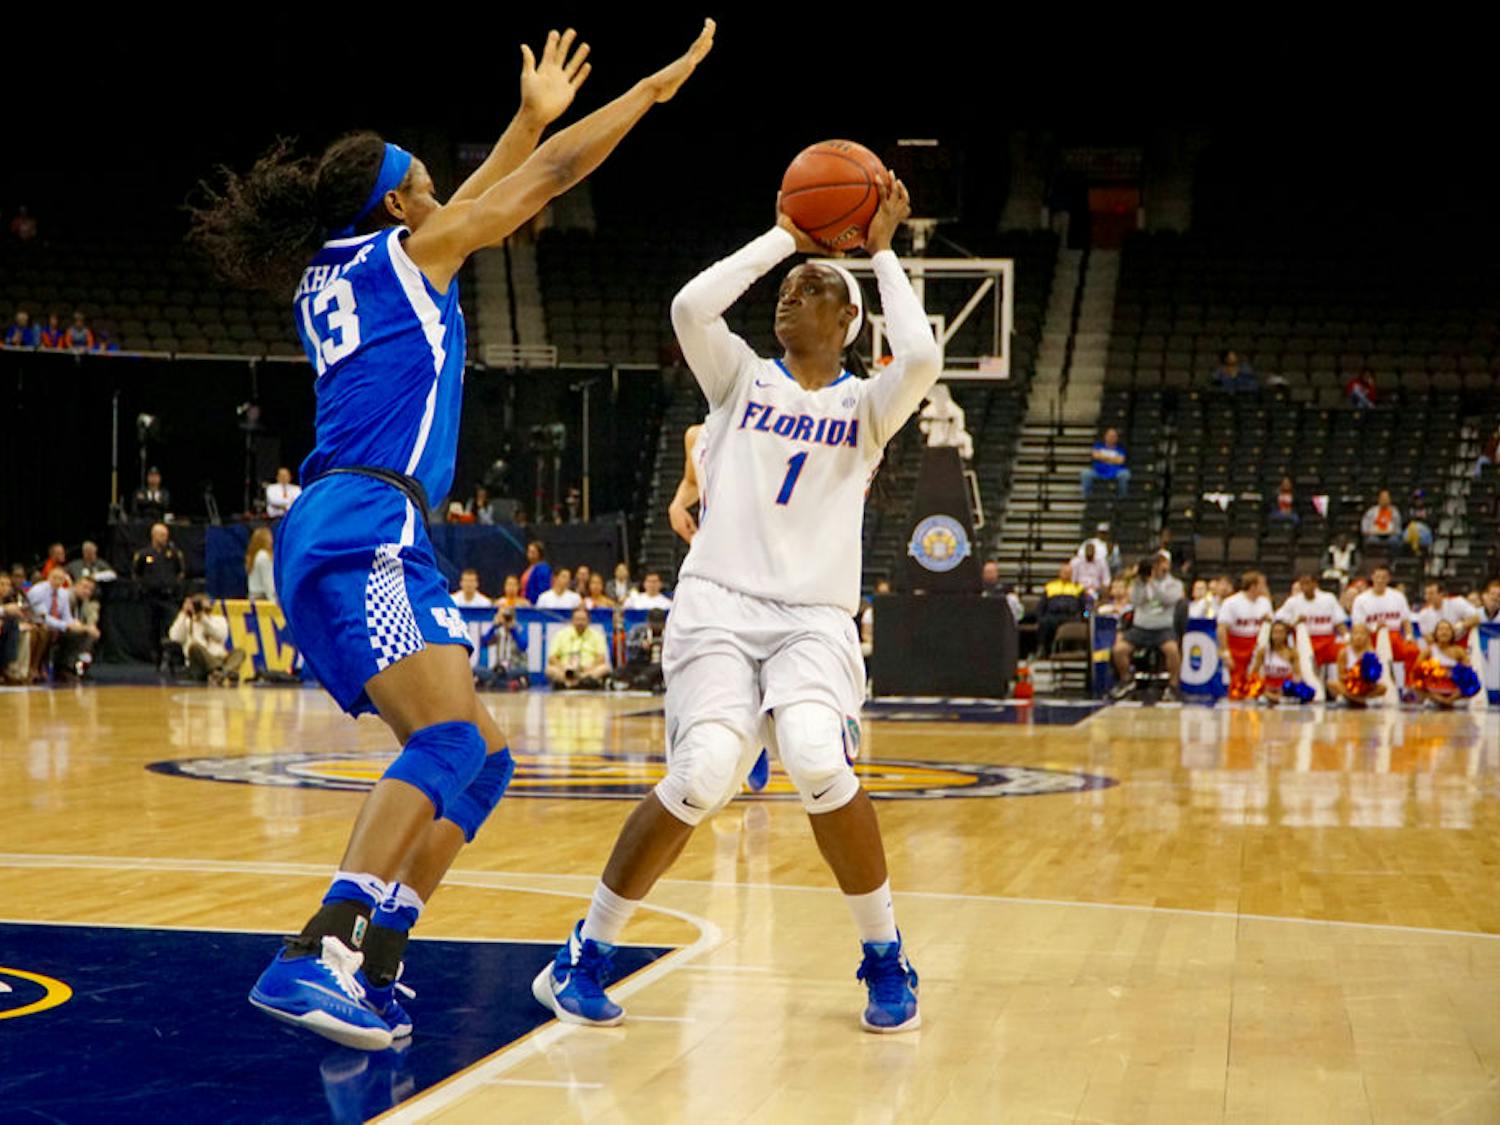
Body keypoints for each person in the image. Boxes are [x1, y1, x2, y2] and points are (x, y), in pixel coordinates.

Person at [190, 21, 716, 1050]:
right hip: (365, 525)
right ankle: (315, 952)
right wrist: (647, 94)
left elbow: (486, 197)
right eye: (431, 186)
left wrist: (521, 118)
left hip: (361, 525)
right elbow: (550, 177)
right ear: (397, 205)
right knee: (441, 741)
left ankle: (381, 959)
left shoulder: (341, 269)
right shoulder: (403, 254)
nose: (450, 200)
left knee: (480, 759)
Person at [535, 167, 932, 1035]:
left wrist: (880, 253)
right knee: (705, 772)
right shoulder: (740, 379)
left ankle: (884, 952)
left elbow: (926, 357)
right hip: (716, 605)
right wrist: (789, 237)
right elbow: (689, 309)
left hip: (813, 619)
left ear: (848, 324)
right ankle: (586, 952)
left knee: (817, 757)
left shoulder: (868, 407)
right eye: (788, 287)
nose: (792, 293)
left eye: (813, 289)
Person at [131, 522, 186, 672]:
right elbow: (136, 573)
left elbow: (180, 572)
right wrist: (143, 587)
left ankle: (171, 659)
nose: (164, 538)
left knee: (171, 628)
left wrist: (175, 586)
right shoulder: (144, 554)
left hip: (168, 597)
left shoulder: (173, 554)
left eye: (166, 535)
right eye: (161, 535)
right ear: (154, 535)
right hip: (151, 598)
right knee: (152, 629)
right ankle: (157, 657)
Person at [1351, 565, 1418, 685]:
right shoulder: (1361, 599)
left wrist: (1409, 636)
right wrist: (1374, 628)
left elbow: (1406, 621)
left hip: (1394, 636)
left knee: (1413, 651)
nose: (1380, 580)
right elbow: (1358, 626)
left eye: (1384, 577)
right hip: (1370, 637)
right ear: (1372, 578)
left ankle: (1409, 685)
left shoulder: (1398, 596)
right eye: (1377, 577)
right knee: (1363, 655)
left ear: (1388, 579)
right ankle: (1365, 686)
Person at [1276, 574, 1348, 673]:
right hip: (1304, 642)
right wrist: (1295, 622)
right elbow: (1279, 622)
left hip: (1327, 641)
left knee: (1346, 652)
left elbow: (1339, 623)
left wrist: (1348, 637)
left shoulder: (1328, 598)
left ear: (1315, 584)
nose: (1305, 587)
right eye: (1302, 584)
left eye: (1307, 583)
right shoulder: (1293, 602)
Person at [169, 595, 247, 686]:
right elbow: (174, 637)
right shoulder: (187, 621)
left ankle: (220, 673)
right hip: (198, 664)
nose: (203, 610)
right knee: (194, 647)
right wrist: (183, 613)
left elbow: (221, 636)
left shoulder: (219, 620)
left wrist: (203, 619)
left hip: (220, 658)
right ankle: (223, 671)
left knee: (240, 652)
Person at [1217, 570, 1272, 701]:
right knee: (1237, 688)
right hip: (1237, 645)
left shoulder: (1265, 602)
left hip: (1256, 647)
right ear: (1253, 586)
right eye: (1262, 585)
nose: (1265, 588)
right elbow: (1222, 628)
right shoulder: (1231, 603)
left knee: (1254, 685)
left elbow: (1270, 625)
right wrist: (1225, 652)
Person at [1410, 620, 1480, 708]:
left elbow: (1470, 677)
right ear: (1435, 634)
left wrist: (1453, 698)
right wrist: (1437, 698)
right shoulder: (1428, 651)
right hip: (1433, 697)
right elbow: (1415, 675)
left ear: (1452, 634)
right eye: (1441, 629)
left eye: (1447, 629)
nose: (1444, 632)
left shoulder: (1459, 651)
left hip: (1456, 698)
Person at [1247, 620, 1312, 705]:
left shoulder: (1292, 652)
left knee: (1308, 692)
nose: (1277, 636)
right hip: (1268, 686)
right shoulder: (1263, 651)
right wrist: (1262, 686)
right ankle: (1276, 698)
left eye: (1281, 632)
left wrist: (1289, 687)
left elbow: (1298, 675)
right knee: (1251, 687)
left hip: (1285, 686)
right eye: (1275, 632)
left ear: (1286, 635)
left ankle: (1276, 698)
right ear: (1271, 634)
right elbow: (1254, 674)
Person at [547, 604, 610, 689]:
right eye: (577, 619)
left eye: (583, 620)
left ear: (589, 621)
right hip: (566, 670)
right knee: (550, 670)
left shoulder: (597, 636)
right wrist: (564, 667)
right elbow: (552, 658)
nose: (580, 622)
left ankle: (578, 682)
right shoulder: (560, 635)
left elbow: (601, 658)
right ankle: (571, 682)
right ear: (572, 620)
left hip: (587, 671)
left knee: (605, 668)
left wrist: (588, 668)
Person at [1326, 624, 1387, 707]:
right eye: (1356, 634)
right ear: (1351, 636)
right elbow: (1341, 676)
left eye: (1362, 634)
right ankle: (1359, 700)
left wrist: (1366, 680)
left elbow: (1375, 676)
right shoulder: (1344, 653)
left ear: (1367, 636)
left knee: (1383, 688)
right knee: (1332, 683)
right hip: (1349, 686)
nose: (1359, 637)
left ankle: (1354, 699)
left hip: (1366, 687)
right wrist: (1354, 676)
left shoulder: (1372, 653)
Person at [1037, 561, 1085, 656]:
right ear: (1060, 573)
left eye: (1069, 572)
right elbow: (1042, 605)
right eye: (1064, 572)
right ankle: (1043, 649)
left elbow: (1083, 606)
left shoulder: (1078, 587)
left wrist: (1084, 616)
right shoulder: (1050, 586)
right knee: (1044, 622)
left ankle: (1075, 650)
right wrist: (1040, 617)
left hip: (1070, 616)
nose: (1066, 574)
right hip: (1053, 616)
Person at [668, 423, 705, 543]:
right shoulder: (696, 436)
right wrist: (677, 505)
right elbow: (693, 481)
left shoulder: (761, 435)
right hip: (713, 538)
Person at [480, 601, 529, 690]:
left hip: (515, 667)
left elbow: (523, 646)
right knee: (477, 670)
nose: (506, 619)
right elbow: (483, 643)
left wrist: (512, 629)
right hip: (498, 668)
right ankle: (509, 684)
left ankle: (496, 683)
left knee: (522, 671)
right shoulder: (498, 631)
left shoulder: (520, 629)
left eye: (508, 616)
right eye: (503, 616)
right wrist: (493, 626)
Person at [1415, 581, 1478, 647]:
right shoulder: (1423, 614)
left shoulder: (1457, 602)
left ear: (1441, 594)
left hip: (1461, 642)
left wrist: (1459, 626)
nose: (1428, 597)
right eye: (1426, 594)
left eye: (1431, 594)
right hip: (1439, 646)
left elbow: (1476, 618)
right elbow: (1428, 639)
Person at [66, 576, 102, 680]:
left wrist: (91, 625)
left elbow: (90, 618)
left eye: (90, 590)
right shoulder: (68, 597)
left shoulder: (85, 601)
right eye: (84, 587)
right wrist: (86, 628)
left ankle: (80, 668)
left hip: (73, 627)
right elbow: (68, 622)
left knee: (91, 634)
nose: (87, 591)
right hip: (58, 627)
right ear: (76, 586)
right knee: (82, 633)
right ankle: (66, 667)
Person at [1080, 427, 1129, 498]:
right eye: (1110, 436)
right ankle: (1087, 497)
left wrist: (1103, 458)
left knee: (1125, 474)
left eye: (1114, 436)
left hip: (1115, 472)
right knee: (1085, 473)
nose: (1112, 438)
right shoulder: (1098, 446)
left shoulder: (1120, 449)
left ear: (1117, 438)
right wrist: (1113, 459)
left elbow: (1120, 461)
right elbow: (1095, 456)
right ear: (1105, 436)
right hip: (1098, 471)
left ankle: (1122, 497)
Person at [246, 527, 276, 602]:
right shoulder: (264, 557)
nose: (272, 540)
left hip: (253, 597)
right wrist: (274, 601)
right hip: (263, 598)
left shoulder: (254, 556)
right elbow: (268, 582)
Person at [520, 540, 552, 605]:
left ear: (539, 553)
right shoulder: (530, 568)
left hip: (535, 604)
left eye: (533, 552)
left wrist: (533, 601)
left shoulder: (543, 569)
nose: (529, 554)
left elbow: (543, 589)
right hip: (525, 601)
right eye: (529, 551)